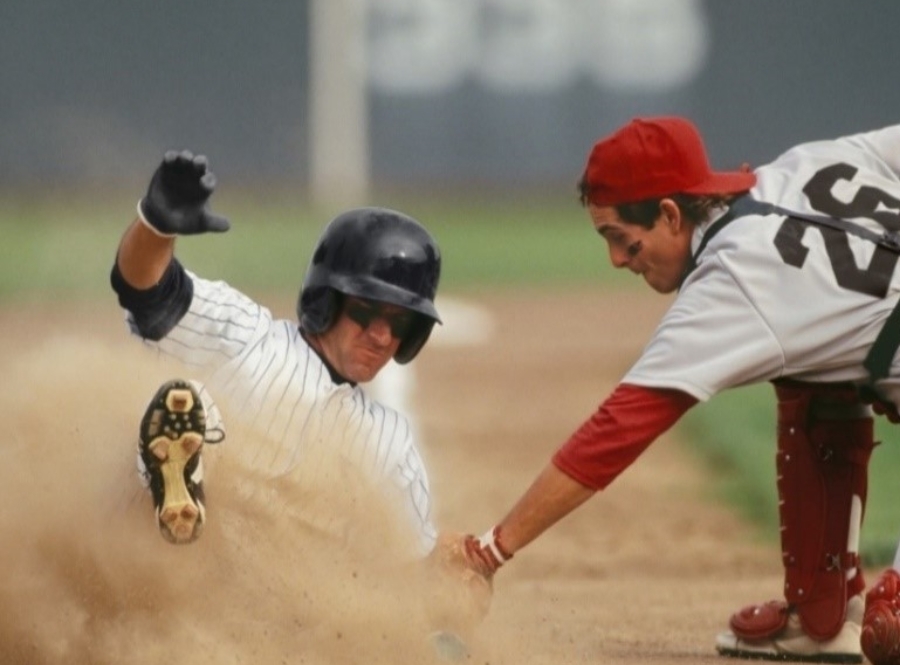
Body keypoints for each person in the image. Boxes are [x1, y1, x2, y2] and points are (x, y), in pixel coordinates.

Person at [443, 117, 900, 664]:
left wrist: (487, 553)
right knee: (813, 380)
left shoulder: (732, 280)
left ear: (668, 214)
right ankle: (820, 619)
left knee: (891, 629)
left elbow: (617, 430)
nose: (616, 260)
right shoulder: (816, 161)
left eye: (620, 238)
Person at [110, 149, 443, 556]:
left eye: (400, 323)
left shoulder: (391, 443)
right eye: (366, 311)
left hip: (263, 602)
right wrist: (156, 227)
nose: (380, 335)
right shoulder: (246, 336)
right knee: (183, 404)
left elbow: (413, 570)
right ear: (327, 299)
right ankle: (176, 490)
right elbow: (146, 291)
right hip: (157, 557)